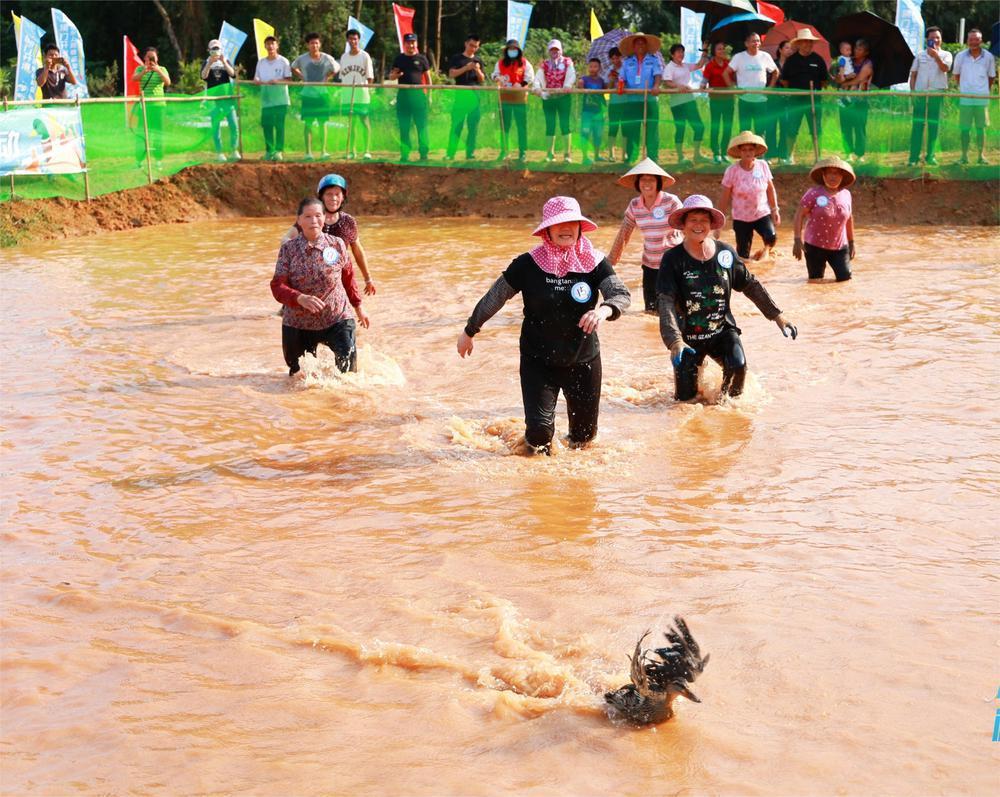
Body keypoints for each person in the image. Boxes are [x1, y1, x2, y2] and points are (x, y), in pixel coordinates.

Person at [456, 196, 631, 454]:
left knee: (583, 440)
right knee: (539, 437)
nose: (566, 228)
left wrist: (604, 310)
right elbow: (496, 296)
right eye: (559, 223)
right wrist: (470, 330)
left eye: (572, 222)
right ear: (547, 229)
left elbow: (620, 294)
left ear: (580, 227)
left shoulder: (594, 262)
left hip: (583, 361)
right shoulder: (528, 264)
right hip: (538, 361)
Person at [657, 194, 796, 402]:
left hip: (722, 331)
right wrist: (674, 341)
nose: (698, 225)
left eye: (704, 220)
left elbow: (750, 284)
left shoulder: (726, 254)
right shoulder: (672, 259)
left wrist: (778, 316)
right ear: (683, 225)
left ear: (711, 224)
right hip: (687, 338)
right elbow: (665, 302)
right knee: (685, 401)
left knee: (738, 367)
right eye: (693, 220)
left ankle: (727, 412)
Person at [271, 197, 369, 375]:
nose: (313, 221)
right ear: (299, 220)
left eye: (318, 215)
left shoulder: (337, 244)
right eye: (308, 216)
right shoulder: (288, 250)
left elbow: (348, 277)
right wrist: (299, 298)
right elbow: (277, 286)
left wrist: (358, 306)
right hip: (299, 323)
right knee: (299, 377)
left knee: (348, 376)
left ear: (324, 218)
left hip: (337, 318)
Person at [279, 174, 378, 295]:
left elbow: (357, 250)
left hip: (338, 279)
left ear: (343, 197)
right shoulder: (312, 218)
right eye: (329, 194)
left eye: (337, 194)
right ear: (321, 197)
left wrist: (368, 279)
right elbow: (286, 238)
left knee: (354, 307)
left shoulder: (348, 222)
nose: (333, 198)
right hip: (309, 278)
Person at [608, 158, 682, 313]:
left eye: (651, 180)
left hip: (672, 264)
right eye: (643, 179)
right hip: (649, 265)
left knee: (673, 310)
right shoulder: (635, 205)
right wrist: (611, 261)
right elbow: (624, 233)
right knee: (650, 310)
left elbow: (687, 227)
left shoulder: (671, 201)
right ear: (637, 183)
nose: (647, 183)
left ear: (658, 183)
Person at [792, 156, 856, 282]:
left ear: (842, 176)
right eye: (830, 173)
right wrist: (797, 240)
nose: (833, 177)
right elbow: (799, 214)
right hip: (814, 246)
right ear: (823, 175)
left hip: (839, 247)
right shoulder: (813, 193)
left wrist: (852, 242)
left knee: (845, 278)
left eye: (837, 173)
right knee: (815, 281)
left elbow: (849, 219)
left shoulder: (846, 195)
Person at [718, 131, 779, 262]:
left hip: (761, 214)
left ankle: (764, 256)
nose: (747, 153)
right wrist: (719, 222)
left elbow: (770, 189)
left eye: (751, 149)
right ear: (739, 152)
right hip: (741, 218)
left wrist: (775, 210)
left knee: (771, 237)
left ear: (755, 151)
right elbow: (724, 197)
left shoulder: (763, 166)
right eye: (744, 150)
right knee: (743, 255)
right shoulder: (732, 171)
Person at [778, 29, 827, 164]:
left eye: (810, 42)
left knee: (816, 129)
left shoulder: (818, 59)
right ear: (799, 43)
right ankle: (789, 156)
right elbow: (784, 80)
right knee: (792, 128)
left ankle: (818, 157)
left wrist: (814, 91)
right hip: (795, 101)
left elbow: (824, 81)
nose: (808, 44)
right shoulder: (791, 60)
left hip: (814, 100)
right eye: (805, 42)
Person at [726, 33, 779, 157]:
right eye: (753, 41)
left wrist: (769, 88)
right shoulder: (739, 57)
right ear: (746, 43)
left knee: (761, 129)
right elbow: (726, 73)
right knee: (745, 130)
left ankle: (761, 156)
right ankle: (744, 156)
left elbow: (776, 72)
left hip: (761, 100)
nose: (756, 43)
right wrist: (733, 88)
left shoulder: (765, 56)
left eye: (758, 41)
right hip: (744, 99)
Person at [907, 26, 951, 167]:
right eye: (932, 38)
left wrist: (936, 56)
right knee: (917, 125)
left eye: (937, 37)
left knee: (934, 126)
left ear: (941, 39)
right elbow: (913, 75)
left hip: (936, 93)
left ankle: (930, 156)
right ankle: (913, 158)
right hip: (920, 94)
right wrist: (913, 93)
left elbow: (945, 69)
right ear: (927, 40)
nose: (935, 40)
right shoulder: (919, 55)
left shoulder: (946, 55)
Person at [291, 33, 339, 160]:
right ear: (308, 45)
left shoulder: (326, 57)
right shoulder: (302, 59)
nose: (314, 45)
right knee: (308, 123)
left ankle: (323, 151)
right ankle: (308, 153)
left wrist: (328, 77)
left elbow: (336, 68)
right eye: (312, 43)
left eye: (317, 43)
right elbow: (293, 67)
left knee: (323, 123)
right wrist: (302, 77)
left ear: (320, 44)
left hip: (322, 95)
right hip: (307, 95)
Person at [952, 29, 996, 165]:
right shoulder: (960, 56)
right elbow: (956, 76)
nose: (974, 42)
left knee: (981, 129)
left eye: (976, 39)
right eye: (971, 39)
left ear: (981, 40)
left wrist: (982, 91)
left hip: (981, 100)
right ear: (967, 41)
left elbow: (991, 77)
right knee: (964, 128)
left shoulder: (988, 57)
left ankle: (980, 156)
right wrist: (965, 89)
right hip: (965, 99)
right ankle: (964, 156)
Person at [618, 32, 663, 163]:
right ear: (633, 46)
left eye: (642, 42)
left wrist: (656, 86)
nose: (640, 45)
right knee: (632, 129)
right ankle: (631, 157)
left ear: (646, 45)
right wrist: (621, 85)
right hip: (632, 100)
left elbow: (658, 75)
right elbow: (622, 78)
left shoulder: (653, 60)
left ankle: (653, 158)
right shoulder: (627, 62)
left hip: (649, 99)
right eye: (637, 43)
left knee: (652, 129)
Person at [662, 43, 708, 164]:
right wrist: (679, 86)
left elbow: (699, 65)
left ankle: (697, 155)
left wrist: (705, 50)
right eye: (678, 52)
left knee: (699, 127)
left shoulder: (685, 66)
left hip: (689, 100)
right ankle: (680, 157)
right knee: (680, 128)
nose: (681, 54)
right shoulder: (669, 67)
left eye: (682, 52)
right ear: (672, 54)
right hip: (677, 103)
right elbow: (667, 82)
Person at [389, 33, 431, 162]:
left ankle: (423, 154)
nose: (410, 45)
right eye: (408, 43)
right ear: (404, 44)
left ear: (416, 44)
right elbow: (391, 77)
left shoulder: (422, 59)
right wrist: (396, 75)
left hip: (419, 96)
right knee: (404, 126)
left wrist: (429, 96)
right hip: (403, 97)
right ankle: (405, 154)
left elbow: (428, 80)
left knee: (422, 126)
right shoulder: (399, 59)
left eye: (413, 42)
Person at [533, 40, 576, 162]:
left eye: (556, 50)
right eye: (552, 50)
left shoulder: (567, 62)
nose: (554, 52)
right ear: (549, 51)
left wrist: (567, 85)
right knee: (550, 125)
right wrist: (537, 89)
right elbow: (538, 78)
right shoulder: (545, 64)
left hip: (563, 98)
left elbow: (572, 75)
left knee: (564, 125)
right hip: (549, 98)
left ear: (561, 50)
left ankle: (567, 154)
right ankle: (549, 154)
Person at [492, 39, 534, 161]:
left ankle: (522, 152)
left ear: (518, 51)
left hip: (520, 99)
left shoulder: (525, 63)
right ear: (506, 51)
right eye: (510, 49)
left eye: (514, 49)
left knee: (521, 126)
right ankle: (504, 151)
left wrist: (520, 84)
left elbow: (530, 77)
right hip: (504, 98)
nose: (512, 51)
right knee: (505, 126)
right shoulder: (500, 63)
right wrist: (497, 78)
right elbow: (494, 74)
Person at [446, 34, 486, 161]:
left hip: (475, 97)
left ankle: (470, 153)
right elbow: (451, 74)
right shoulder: (457, 58)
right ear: (466, 44)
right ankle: (450, 153)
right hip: (461, 96)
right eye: (471, 45)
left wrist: (478, 70)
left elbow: (482, 79)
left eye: (476, 47)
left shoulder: (478, 60)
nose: (473, 48)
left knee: (473, 126)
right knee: (456, 125)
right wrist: (466, 68)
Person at [254, 35, 292, 161]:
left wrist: (277, 81)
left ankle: (279, 151)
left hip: (281, 100)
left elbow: (289, 79)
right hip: (266, 100)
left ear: (277, 46)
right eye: (268, 44)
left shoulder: (283, 61)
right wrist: (257, 81)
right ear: (265, 46)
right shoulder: (261, 62)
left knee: (279, 125)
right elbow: (257, 77)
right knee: (267, 125)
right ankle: (269, 150)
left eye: (272, 43)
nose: (270, 46)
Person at [339, 28, 375, 160]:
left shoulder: (365, 56)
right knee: (351, 124)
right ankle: (351, 151)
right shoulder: (344, 57)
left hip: (362, 96)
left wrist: (368, 90)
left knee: (364, 122)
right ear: (347, 41)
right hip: (348, 96)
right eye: (350, 39)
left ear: (358, 40)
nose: (353, 41)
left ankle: (367, 150)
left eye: (355, 39)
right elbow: (342, 77)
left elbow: (370, 77)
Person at [835, 39, 873, 163]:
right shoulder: (846, 60)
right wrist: (843, 78)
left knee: (859, 127)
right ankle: (848, 153)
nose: (856, 51)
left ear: (866, 52)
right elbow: (837, 79)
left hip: (861, 100)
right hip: (844, 100)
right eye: (855, 48)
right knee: (845, 127)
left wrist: (845, 83)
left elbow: (859, 79)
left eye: (860, 49)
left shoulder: (868, 63)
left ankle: (860, 154)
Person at [201, 39, 239, 162]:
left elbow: (233, 74)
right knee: (216, 127)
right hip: (214, 101)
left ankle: (234, 150)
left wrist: (223, 62)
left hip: (227, 99)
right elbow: (203, 77)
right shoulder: (206, 62)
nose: (215, 51)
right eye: (213, 49)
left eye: (217, 48)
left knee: (233, 125)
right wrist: (209, 63)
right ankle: (219, 152)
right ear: (209, 50)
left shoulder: (226, 60)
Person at [133, 47, 171, 168]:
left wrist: (157, 70)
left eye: (153, 58)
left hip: (158, 106)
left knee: (158, 133)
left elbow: (168, 82)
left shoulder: (162, 69)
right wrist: (144, 71)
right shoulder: (140, 68)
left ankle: (158, 160)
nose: (150, 60)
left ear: (157, 58)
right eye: (148, 57)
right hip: (144, 107)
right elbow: (133, 79)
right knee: (143, 134)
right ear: (144, 58)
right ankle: (139, 160)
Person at [702, 41, 734, 164]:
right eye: (719, 49)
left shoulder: (729, 64)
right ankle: (716, 153)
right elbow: (703, 83)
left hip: (729, 100)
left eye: (723, 49)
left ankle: (724, 152)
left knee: (727, 127)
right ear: (714, 52)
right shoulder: (710, 65)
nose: (722, 51)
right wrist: (704, 87)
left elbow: (734, 81)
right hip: (715, 100)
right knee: (715, 126)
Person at [578, 58, 607, 165]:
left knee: (598, 134)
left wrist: (604, 111)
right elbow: (579, 88)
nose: (592, 69)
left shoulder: (601, 81)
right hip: (587, 112)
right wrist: (580, 84)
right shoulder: (584, 79)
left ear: (599, 68)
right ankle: (585, 157)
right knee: (585, 133)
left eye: (595, 66)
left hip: (598, 112)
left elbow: (605, 94)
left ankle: (596, 155)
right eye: (590, 66)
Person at [605, 47, 628, 161]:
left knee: (625, 128)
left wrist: (624, 80)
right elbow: (608, 89)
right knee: (613, 128)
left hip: (626, 102)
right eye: (612, 58)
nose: (615, 60)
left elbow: (632, 84)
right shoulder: (610, 71)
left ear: (621, 57)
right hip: (614, 103)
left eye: (617, 57)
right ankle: (611, 154)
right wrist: (612, 80)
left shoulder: (627, 68)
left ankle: (624, 153)